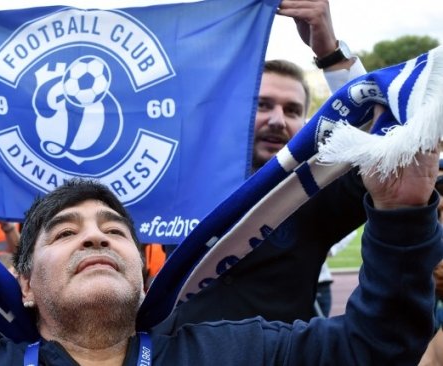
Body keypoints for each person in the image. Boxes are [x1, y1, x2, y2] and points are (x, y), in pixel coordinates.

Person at [0, 141, 441, 364]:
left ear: (142, 268)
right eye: (65, 232)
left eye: (112, 229)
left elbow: (376, 349)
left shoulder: (237, 351)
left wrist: (403, 210)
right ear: (22, 284)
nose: (96, 235)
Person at [155, 0, 370, 330]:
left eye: (293, 110)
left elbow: (385, 143)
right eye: (262, 104)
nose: (278, 120)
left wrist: (330, 54)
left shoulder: (315, 194)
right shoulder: (178, 178)